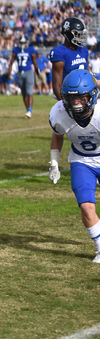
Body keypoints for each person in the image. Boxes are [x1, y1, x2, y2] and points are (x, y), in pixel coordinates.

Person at [48, 69, 100, 264]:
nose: (76, 103)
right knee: (86, 207)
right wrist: (54, 163)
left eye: (81, 98)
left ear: (91, 96)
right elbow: (57, 135)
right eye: (71, 98)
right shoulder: (60, 114)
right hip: (81, 160)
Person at [49, 17, 89, 101]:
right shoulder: (59, 52)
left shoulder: (83, 50)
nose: (81, 37)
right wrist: (64, 104)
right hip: (69, 96)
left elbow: (87, 74)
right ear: (69, 34)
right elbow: (57, 85)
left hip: (84, 95)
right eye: (78, 34)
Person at [7, 34, 38, 118]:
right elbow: (11, 62)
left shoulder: (31, 49)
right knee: (24, 93)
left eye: (24, 42)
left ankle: (30, 111)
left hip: (29, 72)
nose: (23, 44)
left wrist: (38, 73)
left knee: (29, 92)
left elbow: (35, 62)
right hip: (20, 73)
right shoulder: (16, 50)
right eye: (21, 42)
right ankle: (27, 109)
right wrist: (9, 73)